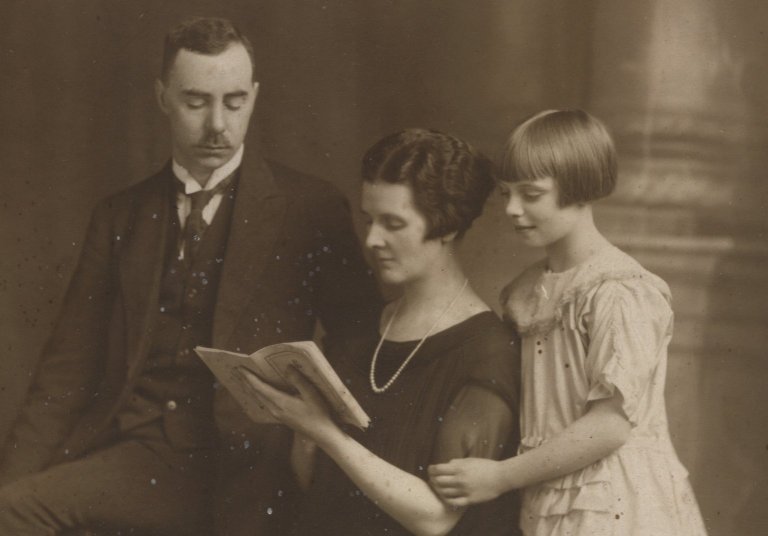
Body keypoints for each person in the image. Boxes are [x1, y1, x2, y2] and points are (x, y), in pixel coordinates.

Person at [0, 17, 380, 536]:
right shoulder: (121, 216)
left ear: (255, 96)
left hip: (247, 464)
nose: (218, 125)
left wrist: (311, 431)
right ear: (162, 98)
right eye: (196, 102)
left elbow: (361, 335)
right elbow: (66, 369)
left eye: (235, 101)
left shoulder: (309, 208)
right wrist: (9, 484)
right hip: (133, 450)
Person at [428, 110, 708, 535]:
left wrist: (500, 477)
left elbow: (610, 426)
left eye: (531, 194)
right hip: (550, 495)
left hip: (616, 502)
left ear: (580, 190)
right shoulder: (524, 292)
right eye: (506, 193)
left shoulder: (619, 291)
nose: (512, 209)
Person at [237, 128, 523, 535]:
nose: (372, 239)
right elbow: (312, 484)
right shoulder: (357, 331)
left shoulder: (488, 353)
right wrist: (302, 431)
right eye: (369, 220)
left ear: (447, 227)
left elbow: (437, 517)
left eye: (393, 223)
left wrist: (322, 430)